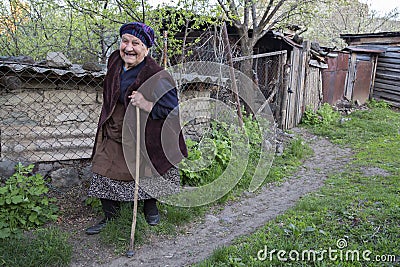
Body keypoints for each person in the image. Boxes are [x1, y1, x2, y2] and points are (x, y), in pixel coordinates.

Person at [85, 22, 187, 235]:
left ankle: (151, 208)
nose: (128, 48)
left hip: (145, 130)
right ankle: (111, 217)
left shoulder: (157, 76)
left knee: (147, 171)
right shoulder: (114, 60)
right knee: (103, 168)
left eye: (136, 43)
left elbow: (173, 111)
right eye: (125, 41)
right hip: (115, 126)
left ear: (147, 48)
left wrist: (146, 103)